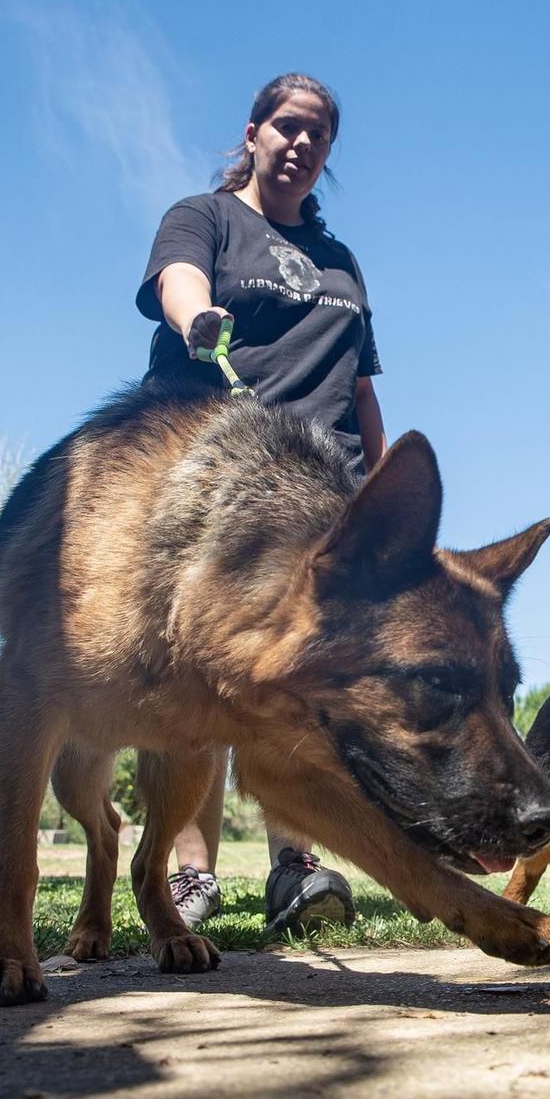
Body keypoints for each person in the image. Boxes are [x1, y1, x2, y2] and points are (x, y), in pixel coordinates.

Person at [133, 72, 386, 933]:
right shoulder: (205, 217)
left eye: (319, 133)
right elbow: (177, 277)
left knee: (299, 677)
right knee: (195, 674)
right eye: (287, 125)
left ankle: (295, 866)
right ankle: (191, 874)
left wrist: (383, 495)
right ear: (253, 133)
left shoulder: (341, 262)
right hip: (209, 478)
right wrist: (197, 317)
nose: (302, 142)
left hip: (321, 492)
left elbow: (361, 384)